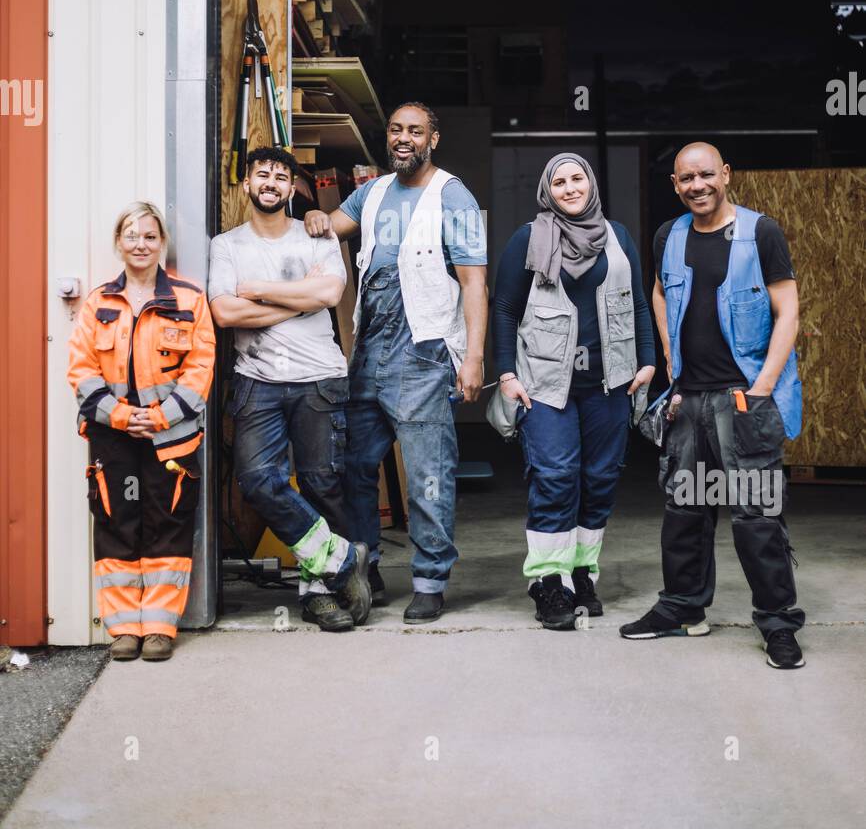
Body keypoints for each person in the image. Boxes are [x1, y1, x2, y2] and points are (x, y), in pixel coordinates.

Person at [620, 142, 805, 669]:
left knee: (756, 516)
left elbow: (787, 310)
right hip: (689, 400)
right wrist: (673, 362)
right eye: (685, 179)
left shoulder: (760, 232)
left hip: (742, 399)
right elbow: (659, 292)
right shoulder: (669, 235)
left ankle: (777, 622)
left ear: (725, 174)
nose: (696, 186)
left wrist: (763, 388)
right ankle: (682, 609)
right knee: (684, 510)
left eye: (706, 175)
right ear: (675, 185)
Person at [304, 102, 488, 622]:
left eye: (415, 131)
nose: (403, 138)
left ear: (433, 138)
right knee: (357, 467)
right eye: (396, 130)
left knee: (429, 471)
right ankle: (366, 565)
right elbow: (332, 226)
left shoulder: (454, 196)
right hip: (370, 349)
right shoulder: (374, 191)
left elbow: (475, 280)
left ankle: (431, 577)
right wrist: (317, 214)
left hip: (424, 350)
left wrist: (473, 357)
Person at [208, 147, 371, 632]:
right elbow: (223, 313)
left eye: (282, 176)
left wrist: (254, 290)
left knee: (322, 483)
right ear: (248, 185)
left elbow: (329, 294)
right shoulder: (226, 245)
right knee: (258, 481)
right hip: (257, 381)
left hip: (318, 377)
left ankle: (320, 594)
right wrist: (297, 301)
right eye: (264, 175)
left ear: (292, 188)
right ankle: (342, 559)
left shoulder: (316, 234)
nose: (272, 183)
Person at [493, 154, 655, 629]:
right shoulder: (528, 238)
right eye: (559, 182)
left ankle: (581, 572)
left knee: (600, 477)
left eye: (576, 178)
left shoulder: (618, 237)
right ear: (548, 190)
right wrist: (506, 374)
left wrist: (647, 362)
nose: (569, 188)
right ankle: (548, 582)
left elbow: (639, 303)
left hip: (609, 382)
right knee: (556, 476)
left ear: (591, 183)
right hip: (545, 384)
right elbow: (504, 308)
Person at [67, 203, 216, 661]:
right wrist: (116, 414)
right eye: (132, 236)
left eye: (150, 237)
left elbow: (201, 365)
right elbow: (82, 369)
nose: (140, 244)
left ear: (162, 243)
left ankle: (158, 627)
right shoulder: (98, 303)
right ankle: (124, 629)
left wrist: (163, 414)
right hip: (112, 438)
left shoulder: (189, 300)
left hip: (170, 438)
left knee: (167, 525)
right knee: (116, 524)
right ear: (118, 242)